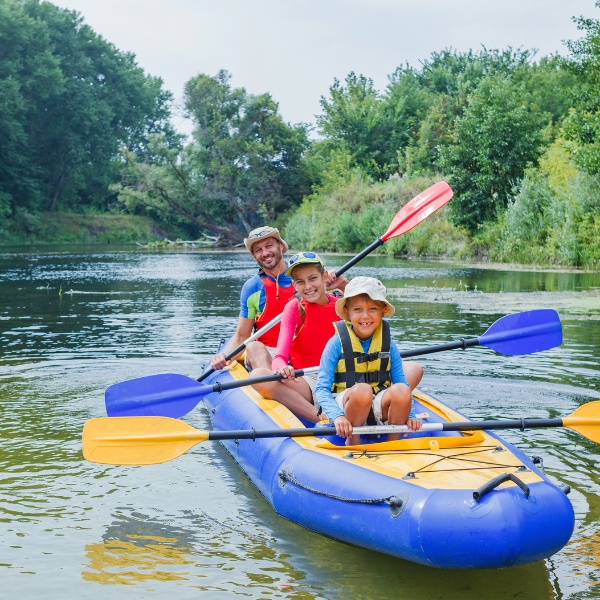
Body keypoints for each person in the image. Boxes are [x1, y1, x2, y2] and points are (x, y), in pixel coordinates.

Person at [210, 227, 345, 373]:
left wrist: (343, 285)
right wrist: (224, 356)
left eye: (269, 246)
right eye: (258, 250)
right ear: (254, 256)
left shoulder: (306, 276)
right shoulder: (252, 288)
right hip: (270, 353)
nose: (265, 253)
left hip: (307, 351)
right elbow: (242, 335)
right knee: (253, 347)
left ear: (280, 246)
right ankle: (273, 386)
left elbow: (352, 306)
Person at [315, 276, 424, 445]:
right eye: (358, 309)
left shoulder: (389, 345)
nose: (365, 316)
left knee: (402, 390)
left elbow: (402, 383)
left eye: (373, 309)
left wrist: (411, 416)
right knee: (363, 391)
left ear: (382, 311)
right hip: (347, 405)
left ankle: (392, 443)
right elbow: (321, 389)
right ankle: (353, 441)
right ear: (347, 313)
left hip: (377, 404)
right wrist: (337, 415)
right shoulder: (335, 343)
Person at [250, 252, 348, 422]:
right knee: (259, 376)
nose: (308, 286)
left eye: (312, 278)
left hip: (345, 378)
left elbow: (373, 314)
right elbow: (280, 356)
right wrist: (281, 368)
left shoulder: (343, 304)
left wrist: (346, 285)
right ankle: (321, 418)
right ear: (294, 285)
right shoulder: (294, 308)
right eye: (300, 282)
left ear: (325, 277)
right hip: (310, 380)